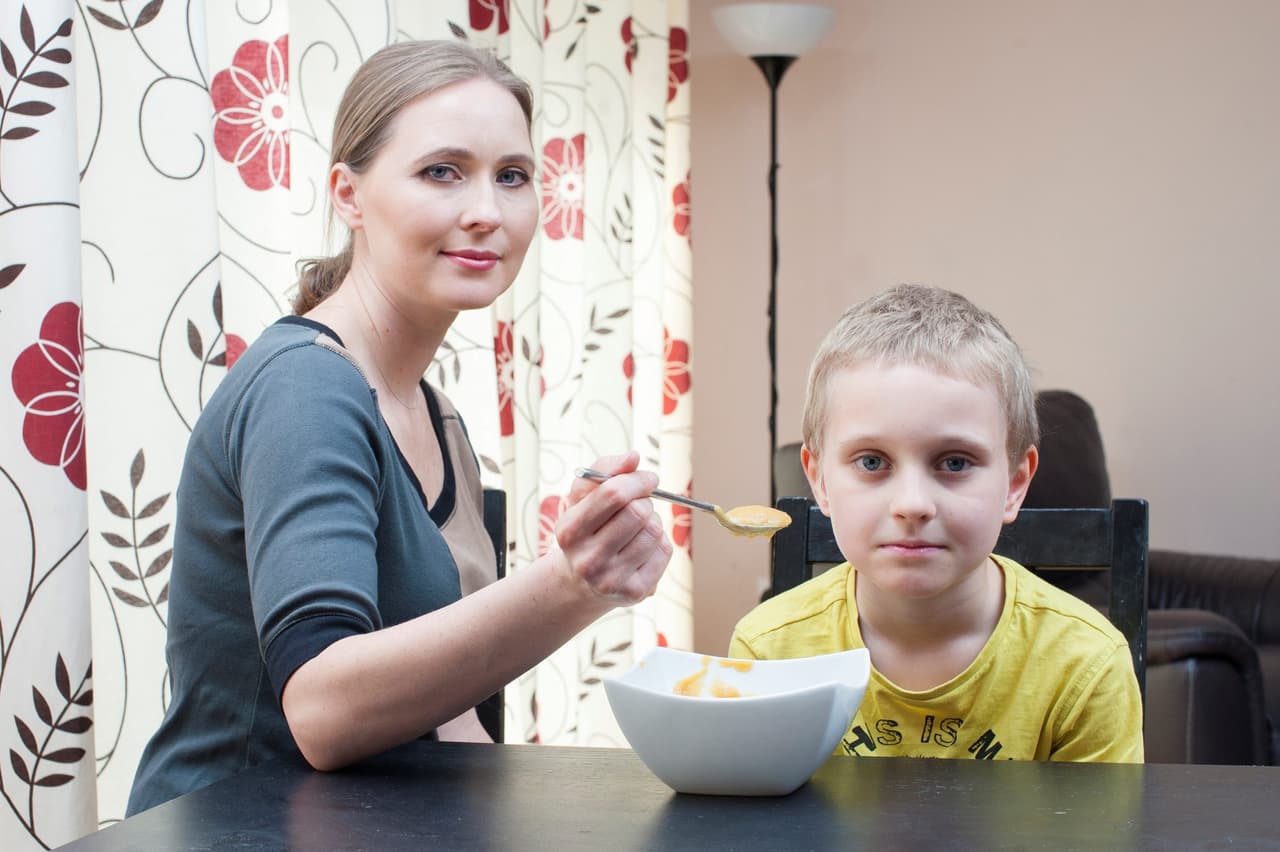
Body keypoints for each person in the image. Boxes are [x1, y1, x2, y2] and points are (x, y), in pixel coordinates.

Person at [127, 40, 672, 814]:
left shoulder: (439, 418)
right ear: (347, 195)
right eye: (442, 171)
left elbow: (448, 713)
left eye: (512, 176)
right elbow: (324, 710)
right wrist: (569, 583)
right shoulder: (306, 389)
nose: (486, 210)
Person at [729, 285, 1142, 762]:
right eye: (871, 462)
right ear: (819, 480)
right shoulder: (766, 653)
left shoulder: (1086, 667)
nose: (912, 505)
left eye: (954, 463)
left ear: (1014, 483)